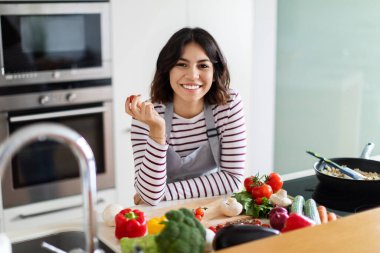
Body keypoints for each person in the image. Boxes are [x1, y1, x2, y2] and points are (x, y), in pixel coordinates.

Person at [125, 27, 247, 205]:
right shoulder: (147, 116)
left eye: (203, 66)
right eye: (182, 64)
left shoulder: (228, 104)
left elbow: (233, 180)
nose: (192, 75)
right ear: (168, 70)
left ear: (215, 73)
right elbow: (151, 196)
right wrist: (157, 131)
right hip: (162, 212)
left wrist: (163, 193)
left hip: (211, 205)